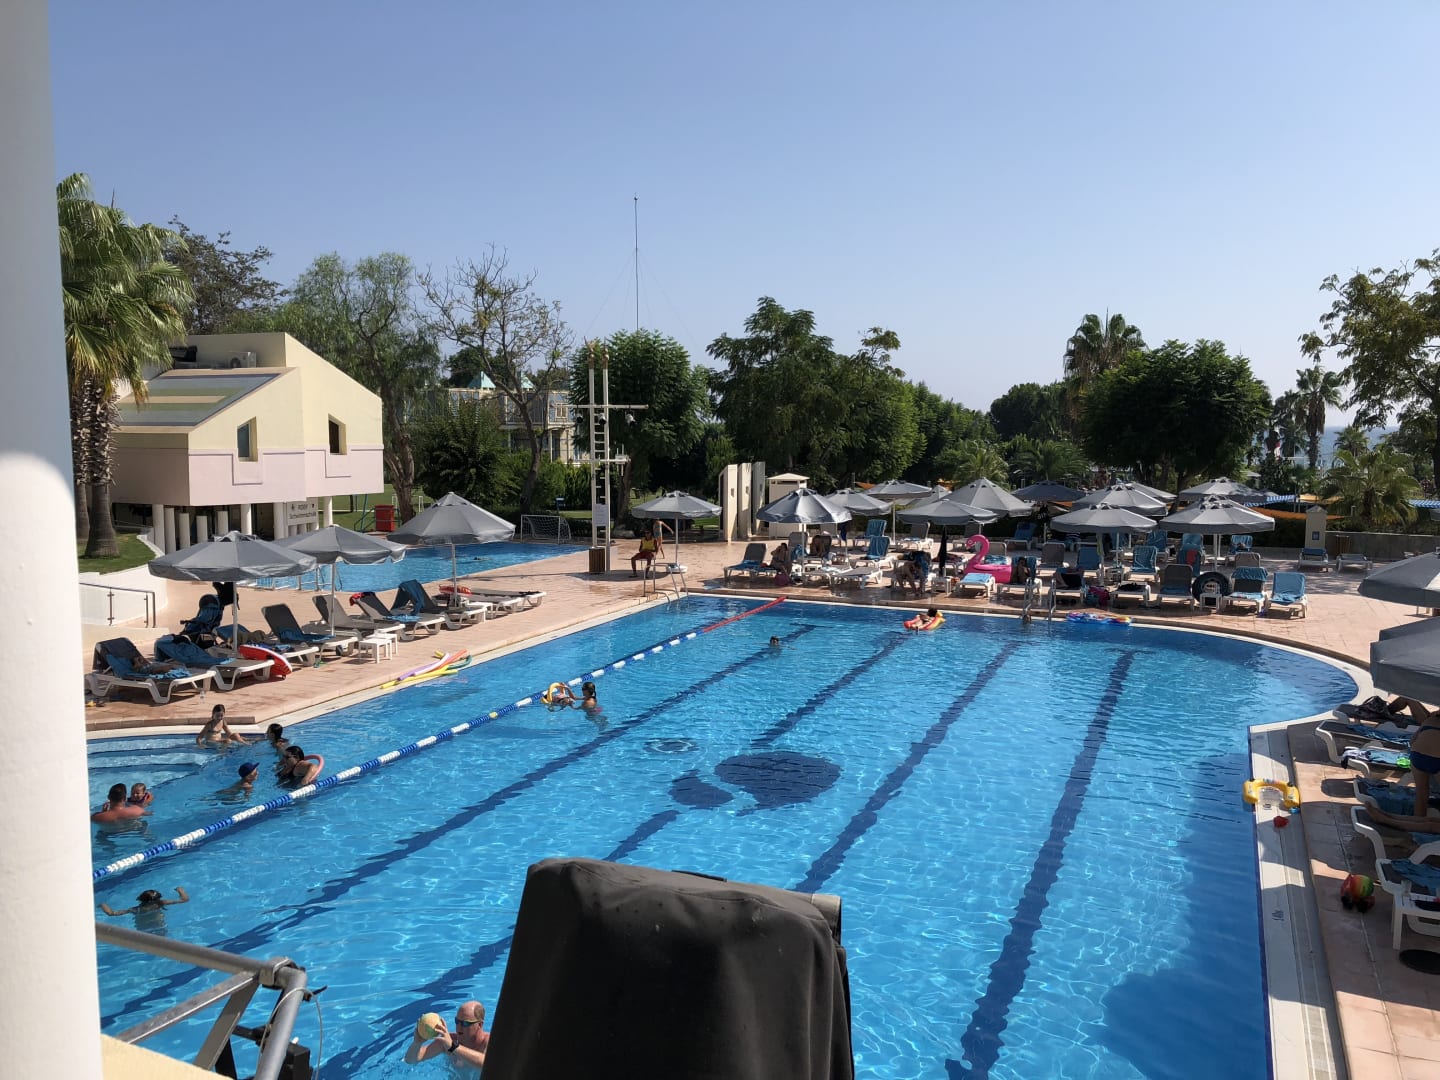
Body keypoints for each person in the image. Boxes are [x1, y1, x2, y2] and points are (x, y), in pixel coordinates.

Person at [404, 999, 488, 1070]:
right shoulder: (448, 1041)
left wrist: (453, 1047)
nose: (459, 1027)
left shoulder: (488, 1043)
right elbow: (411, 1060)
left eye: (465, 1023)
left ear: (480, 1025)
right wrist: (417, 1043)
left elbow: (487, 1063)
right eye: (457, 1021)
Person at [1391, 698, 1440, 817]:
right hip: (1437, 757)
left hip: (1418, 756)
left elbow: (1412, 742)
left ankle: (1418, 821)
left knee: (1421, 795)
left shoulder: (1430, 720)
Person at [100, 887, 188, 917]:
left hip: (144, 933)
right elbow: (184, 900)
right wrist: (181, 890)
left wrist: (102, 904)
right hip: (161, 929)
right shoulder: (161, 903)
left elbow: (111, 913)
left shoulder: (135, 910)